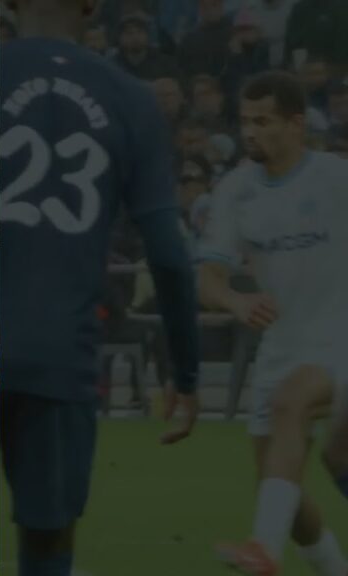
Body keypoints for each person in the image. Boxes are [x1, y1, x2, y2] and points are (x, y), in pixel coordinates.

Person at [1, 2, 201, 575]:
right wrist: (184, 374)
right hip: (58, 352)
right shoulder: (130, 97)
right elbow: (168, 254)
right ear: (91, 7)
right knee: (45, 539)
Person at [201, 71, 348, 576]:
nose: (251, 132)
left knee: (291, 403)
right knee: (280, 486)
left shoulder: (334, 177)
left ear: (295, 123)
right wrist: (235, 303)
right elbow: (209, 277)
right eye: (245, 121)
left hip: (339, 339)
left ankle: (262, 550)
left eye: (263, 121)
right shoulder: (237, 190)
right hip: (281, 349)